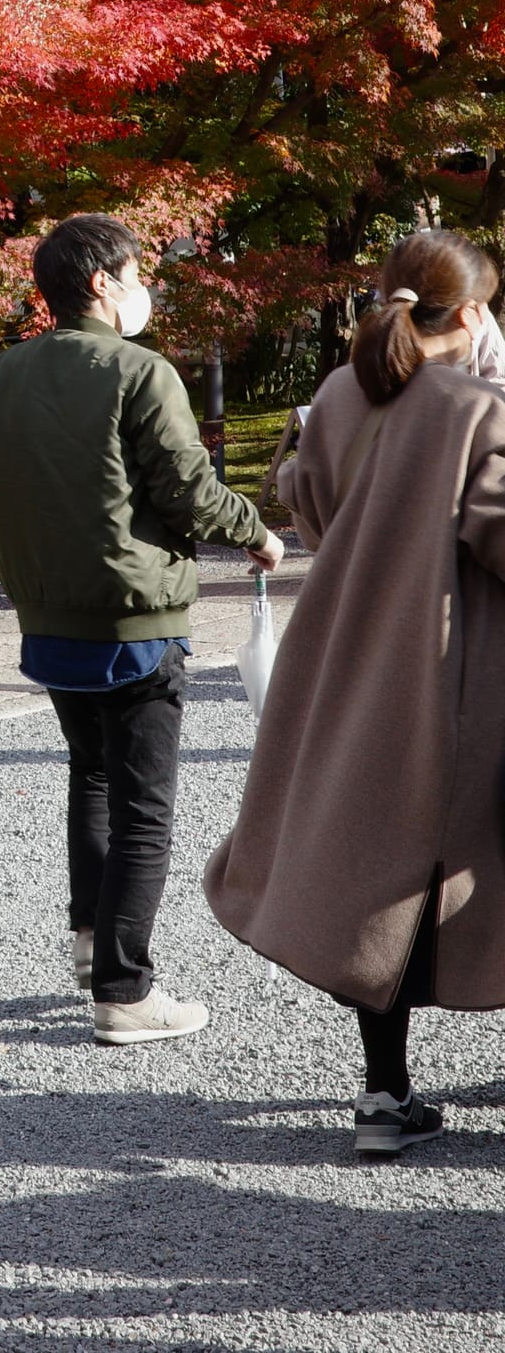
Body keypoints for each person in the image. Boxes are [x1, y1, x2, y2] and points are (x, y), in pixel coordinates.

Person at [206, 231, 505, 1158]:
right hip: (457, 669)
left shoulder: (338, 395)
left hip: (344, 656)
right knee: (478, 861)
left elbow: (314, 509)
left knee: (371, 861)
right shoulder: (476, 410)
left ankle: (384, 1094)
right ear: (471, 315)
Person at [0, 212, 282, 1047]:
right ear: (103, 282)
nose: (145, 285)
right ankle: (124, 989)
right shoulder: (139, 371)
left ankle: (91, 948)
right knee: (143, 804)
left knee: (94, 782)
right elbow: (187, 488)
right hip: (137, 614)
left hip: (49, 615)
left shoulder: (3, 375)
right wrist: (256, 531)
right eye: (137, 271)